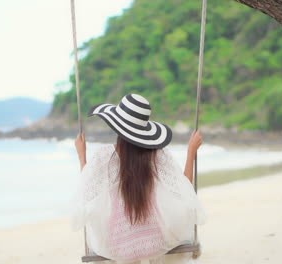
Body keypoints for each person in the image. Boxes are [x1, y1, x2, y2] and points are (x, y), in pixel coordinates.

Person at [71, 93, 206, 264]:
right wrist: (191, 152)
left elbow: (88, 188)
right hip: (155, 241)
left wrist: (81, 155)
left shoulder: (104, 156)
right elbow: (185, 189)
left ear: (117, 127)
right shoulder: (157, 156)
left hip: (117, 245)